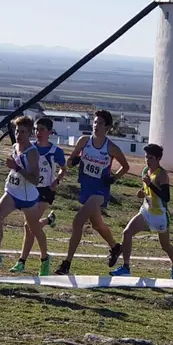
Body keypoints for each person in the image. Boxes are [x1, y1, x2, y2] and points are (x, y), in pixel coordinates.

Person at [54, 109, 128, 275]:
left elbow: (126, 167)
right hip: (86, 187)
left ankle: (66, 264)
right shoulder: (84, 141)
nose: (96, 126)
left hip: (100, 190)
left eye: (100, 123)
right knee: (97, 224)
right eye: (95, 122)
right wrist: (75, 160)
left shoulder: (111, 147)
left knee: (77, 221)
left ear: (107, 127)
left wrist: (114, 178)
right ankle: (116, 247)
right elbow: (69, 162)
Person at [0, 116, 51, 274]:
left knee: (35, 230)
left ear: (30, 133)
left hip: (27, 197)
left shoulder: (33, 153)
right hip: (11, 191)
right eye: (17, 131)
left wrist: (17, 168)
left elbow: (34, 180)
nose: (19, 135)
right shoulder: (14, 146)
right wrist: (12, 168)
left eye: (23, 132)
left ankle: (45, 259)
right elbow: (15, 167)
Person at [109, 143, 173, 279]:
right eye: (146, 157)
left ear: (158, 159)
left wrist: (150, 185)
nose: (147, 161)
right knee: (127, 232)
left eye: (151, 158)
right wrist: (143, 192)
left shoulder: (162, 175)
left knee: (165, 246)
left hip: (160, 215)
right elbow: (148, 190)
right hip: (146, 211)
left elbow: (166, 197)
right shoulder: (144, 172)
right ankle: (126, 267)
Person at [11, 117, 62, 273]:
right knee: (31, 226)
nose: (38, 132)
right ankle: (48, 221)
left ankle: (30, 260)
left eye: (42, 129)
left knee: (29, 226)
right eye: (36, 129)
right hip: (31, 190)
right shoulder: (30, 147)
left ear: (49, 132)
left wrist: (57, 181)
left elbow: (64, 169)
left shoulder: (56, 151)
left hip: (46, 191)